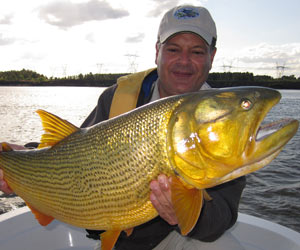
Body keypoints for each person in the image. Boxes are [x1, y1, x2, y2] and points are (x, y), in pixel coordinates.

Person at [0, 5, 246, 250]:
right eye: (173, 49)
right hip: (122, 242)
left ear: (211, 57)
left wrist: (187, 212)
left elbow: (224, 214)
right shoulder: (117, 98)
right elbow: (71, 149)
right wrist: (24, 155)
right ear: (157, 51)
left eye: (196, 52)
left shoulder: (223, 121)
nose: (184, 61)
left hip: (184, 237)